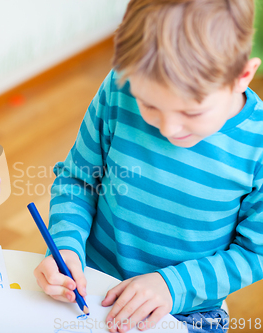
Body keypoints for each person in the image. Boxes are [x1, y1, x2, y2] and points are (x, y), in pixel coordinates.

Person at [34, 1, 262, 332]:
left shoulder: (257, 147)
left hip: (188, 308)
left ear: (242, 75)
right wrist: (66, 245)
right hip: (92, 285)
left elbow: (255, 253)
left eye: (192, 112)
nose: (169, 129)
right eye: (149, 105)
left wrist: (172, 286)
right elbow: (77, 181)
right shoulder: (119, 89)